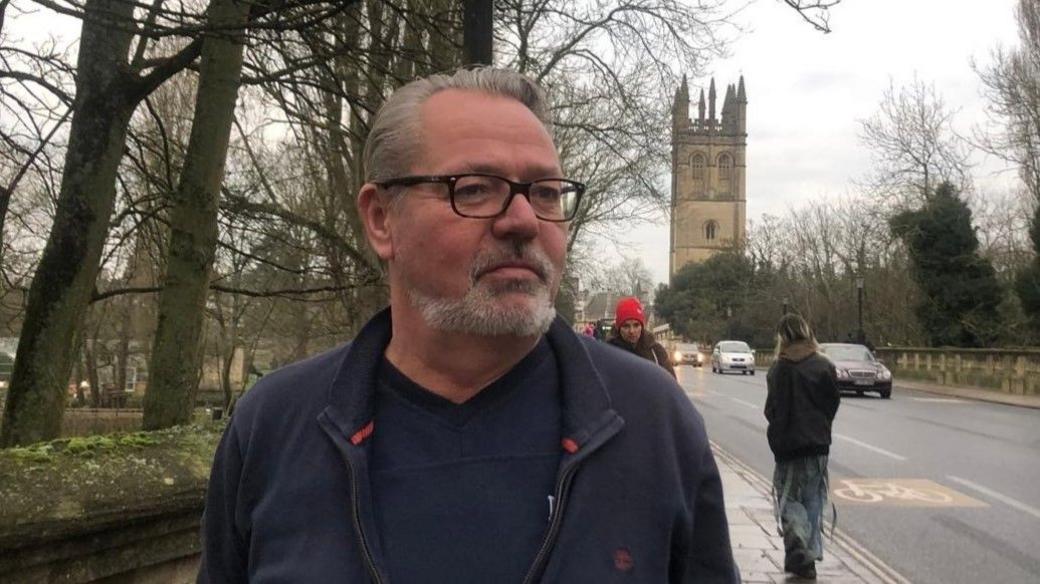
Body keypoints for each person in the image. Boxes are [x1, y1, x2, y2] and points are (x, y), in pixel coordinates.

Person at [198, 67, 737, 583]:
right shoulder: (272, 427)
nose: (524, 219)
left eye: (546, 192)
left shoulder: (653, 423)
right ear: (382, 219)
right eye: (475, 188)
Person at [764, 313, 840, 580]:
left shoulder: (778, 369)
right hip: (818, 445)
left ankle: (798, 544)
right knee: (813, 498)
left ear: (782, 338)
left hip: (787, 446)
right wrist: (821, 427)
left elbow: (771, 409)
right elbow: (832, 404)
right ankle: (808, 555)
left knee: (789, 499)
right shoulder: (824, 366)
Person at [607, 296, 676, 379]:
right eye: (626, 326)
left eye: (636, 325)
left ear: (642, 326)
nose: (632, 331)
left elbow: (671, 385)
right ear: (618, 328)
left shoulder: (656, 352)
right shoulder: (608, 352)